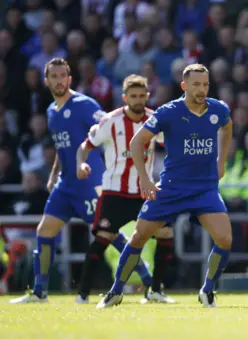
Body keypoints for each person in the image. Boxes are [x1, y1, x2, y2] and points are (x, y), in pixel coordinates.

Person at [96, 64, 233, 308]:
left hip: (205, 188)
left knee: (224, 239)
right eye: (196, 84)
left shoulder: (218, 109)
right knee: (138, 237)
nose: (202, 89)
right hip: (170, 188)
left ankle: (207, 291)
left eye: (205, 84)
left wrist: (220, 162)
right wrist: (145, 179)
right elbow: (138, 142)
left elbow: (227, 126)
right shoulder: (168, 112)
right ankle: (116, 291)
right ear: (184, 86)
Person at [10, 58, 106, 304]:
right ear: (46, 81)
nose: (59, 80)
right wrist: (54, 174)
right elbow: (63, 147)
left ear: (70, 79)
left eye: (63, 75)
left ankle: (148, 282)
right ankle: (40, 292)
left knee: (108, 233)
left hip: (88, 180)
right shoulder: (52, 111)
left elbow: (108, 127)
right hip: (65, 184)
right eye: (54, 76)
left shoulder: (84, 104)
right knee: (45, 231)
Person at [75, 74, 175, 304]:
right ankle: (82, 293)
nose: (138, 100)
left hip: (144, 191)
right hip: (115, 192)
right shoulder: (110, 121)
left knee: (166, 234)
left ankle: (155, 291)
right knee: (103, 239)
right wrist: (81, 162)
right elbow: (85, 146)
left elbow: (170, 143)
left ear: (147, 96)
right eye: (133, 96)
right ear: (124, 97)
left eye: (142, 96)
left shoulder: (154, 120)